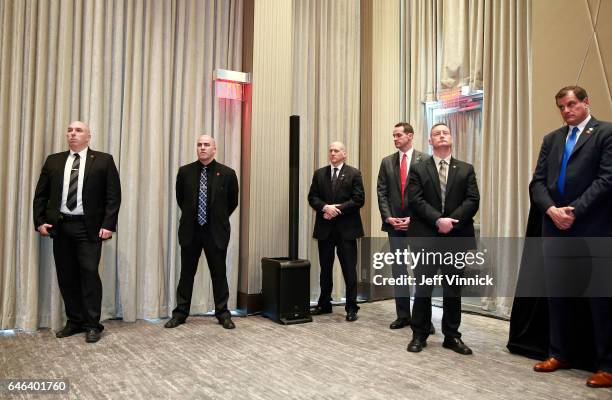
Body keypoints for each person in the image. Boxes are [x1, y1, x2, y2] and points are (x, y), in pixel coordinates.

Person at [529, 86, 612, 388]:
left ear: (586, 103)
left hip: (592, 227)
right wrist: (551, 210)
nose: (566, 111)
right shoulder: (551, 140)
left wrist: (573, 211)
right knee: (558, 296)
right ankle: (558, 353)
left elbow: (607, 179)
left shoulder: (605, 133)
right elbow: (537, 182)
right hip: (554, 228)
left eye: (572, 104)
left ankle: (607, 365)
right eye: (562, 107)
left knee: (599, 299)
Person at [33, 121, 121, 343]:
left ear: (88, 136)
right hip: (60, 226)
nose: (73, 134)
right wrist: (39, 221)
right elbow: (41, 195)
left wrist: (108, 225)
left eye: (78, 130)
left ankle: (93, 324)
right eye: (70, 130)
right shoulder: (54, 161)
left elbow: (113, 196)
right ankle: (74, 321)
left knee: (89, 274)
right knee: (67, 276)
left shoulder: (103, 160)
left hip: (88, 228)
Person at [406, 122, 479, 355]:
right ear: (430, 141)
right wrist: (438, 220)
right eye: (436, 134)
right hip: (425, 237)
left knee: (452, 289)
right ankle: (419, 334)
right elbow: (415, 201)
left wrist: (451, 221)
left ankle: (452, 336)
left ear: (452, 138)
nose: (441, 136)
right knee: (423, 288)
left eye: (445, 132)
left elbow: (472, 200)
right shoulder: (418, 168)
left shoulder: (466, 169)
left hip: (455, 237)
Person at [165, 135, 239, 330]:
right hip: (191, 231)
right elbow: (181, 200)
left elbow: (232, 203)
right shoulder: (185, 172)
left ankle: (223, 313)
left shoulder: (228, 173)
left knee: (219, 274)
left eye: (207, 145)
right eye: (199, 144)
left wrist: (216, 218)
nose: (202, 148)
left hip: (215, 232)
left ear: (214, 149)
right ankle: (180, 312)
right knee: (186, 274)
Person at [377, 122, 432, 331]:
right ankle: (403, 315)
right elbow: (381, 192)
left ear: (410, 136)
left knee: (421, 272)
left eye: (398, 135)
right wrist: (388, 217)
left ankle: (422, 318)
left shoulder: (426, 160)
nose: (395, 139)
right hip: (394, 225)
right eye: (393, 135)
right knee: (399, 270)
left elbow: (429, 195)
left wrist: (415, 218)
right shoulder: (387, 162)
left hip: (418, 226)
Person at [308, 142, 365, 321]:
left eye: (336, 150)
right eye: (330, 150)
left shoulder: (354, 173)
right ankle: (324, 304)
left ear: (344, 153)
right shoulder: (319, 174)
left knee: (349, 269)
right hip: (325, 229)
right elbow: (312, 197)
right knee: (325, 269)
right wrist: (325, 207)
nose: (332, 153)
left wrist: (336, 209)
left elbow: (358, 200)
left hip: (347, 230)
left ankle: (351, 307)